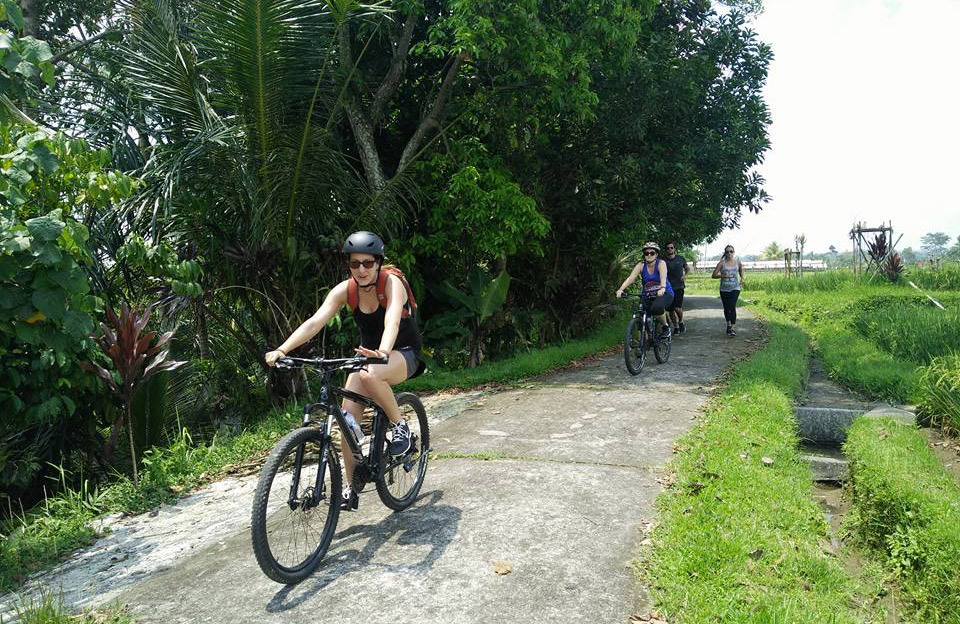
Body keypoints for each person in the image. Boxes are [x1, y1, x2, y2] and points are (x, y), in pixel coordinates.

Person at [264, 231, 423, 510]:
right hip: (366, 357)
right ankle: (350, 489)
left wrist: (384, 352)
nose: (361, 269)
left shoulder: (391, 284)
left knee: (370, 374)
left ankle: (401, 428)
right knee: (346, 422)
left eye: (368, 263)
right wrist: (282, 350)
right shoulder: (345, 290)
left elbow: (392, 323)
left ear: (378, 263)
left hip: (401, 353)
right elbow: (315, 322)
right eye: (354, 264)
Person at [616, 242, 674, 338]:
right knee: (641, 313)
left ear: (656, 254)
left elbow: (663, 276)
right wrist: (621, 289)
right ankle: (643, 342)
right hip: (647, 294)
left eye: (652, 253)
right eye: (646, 253)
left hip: (664, 293)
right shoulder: (641, 265)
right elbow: (631, 278)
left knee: (657, 308)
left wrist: (662, 287)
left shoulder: (661, 263)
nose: (649, 255)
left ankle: (665, 327)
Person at [711, 245, 745, 336]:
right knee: (726, 308)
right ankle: (728, 324)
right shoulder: (722, 263)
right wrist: (722, 276)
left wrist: (742, 278)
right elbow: (713, 275)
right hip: (724, 289)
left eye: (731, 251)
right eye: (727, 252)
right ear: (725, 253)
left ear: (733, 252)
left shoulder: (737, 262)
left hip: (735, 288)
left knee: (732, 306)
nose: (729, 253)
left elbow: (741, 270)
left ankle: (733, 328)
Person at [663, 242, 689, 334]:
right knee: (670, 310)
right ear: (666, 250)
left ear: (674, 248)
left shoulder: (680, 258)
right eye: (668, 248)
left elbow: (687, 268)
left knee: (677, 308)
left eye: (671, 248)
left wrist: (685, 276)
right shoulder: (663, 260)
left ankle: (681, 321)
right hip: (668, 287)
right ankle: (676, 327)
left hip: (679, 286)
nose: (670, 249)